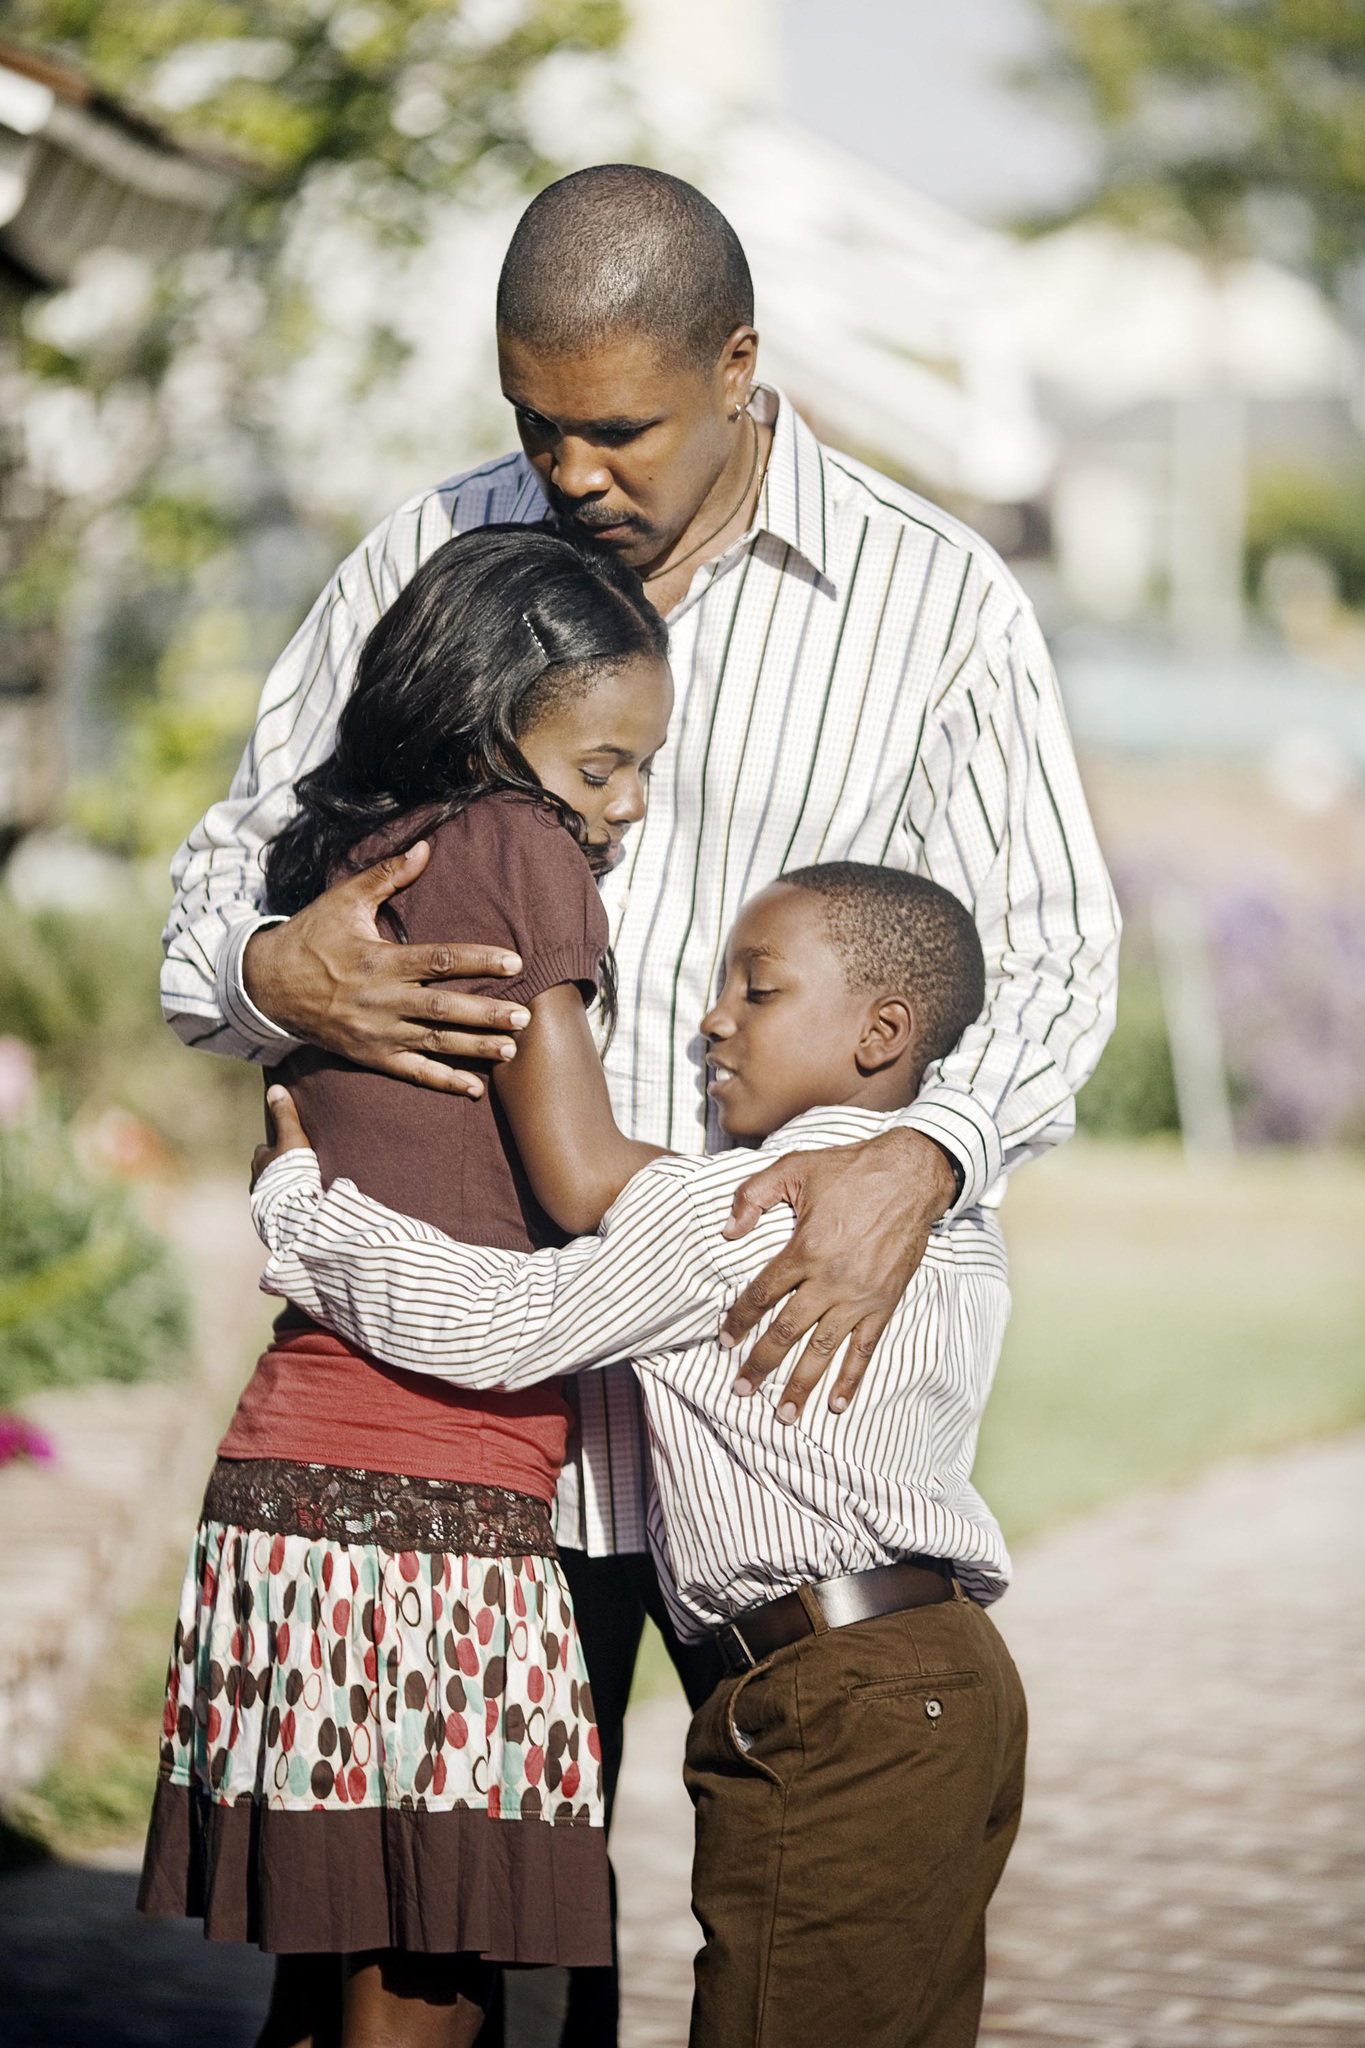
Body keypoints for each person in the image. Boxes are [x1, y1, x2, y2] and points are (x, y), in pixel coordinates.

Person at [160, 164, 1119, 2042]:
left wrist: (926, 1149)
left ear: (742, 365)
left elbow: (1059, 956)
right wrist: (273, 971)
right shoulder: (430, 560)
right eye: (536, 420)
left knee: (798, 1948)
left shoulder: (935, 604)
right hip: (465, 1435)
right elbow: (230, 859)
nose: (572, 468)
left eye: (618, 425)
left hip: (748, 1420)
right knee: (423, 1970)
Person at [250, 861, 1027, 2048]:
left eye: (758, 990)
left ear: (882, 1032)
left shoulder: (751, 1213)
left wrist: (303, 1207)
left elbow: (496, 1322)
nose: (714, 1016)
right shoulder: (947, 1216)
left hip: (839, 1697)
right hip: (951, 1679)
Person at [138, 524, 674, 2048]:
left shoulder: (360, 859)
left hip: (293, 1495)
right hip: (424, 1520)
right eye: (603, 767)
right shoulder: (517, 847)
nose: (626, 807)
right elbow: (578, 1176)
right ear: (501, 725)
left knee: (330, 1991)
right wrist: (782, 1196)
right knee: (425, 1991)